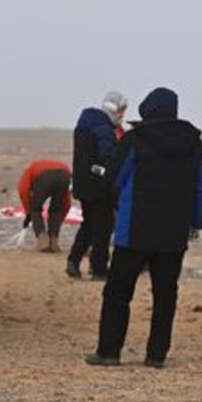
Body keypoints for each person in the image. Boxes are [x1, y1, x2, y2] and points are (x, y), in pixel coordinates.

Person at [86, 87, 202, 370]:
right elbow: (201, 186)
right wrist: (195, 222)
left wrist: (116, 206)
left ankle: (109, 351)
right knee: (165, 294)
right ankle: (156, 355)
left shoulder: (134, 140)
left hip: (134, 229)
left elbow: (115, 179)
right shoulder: (193, 143)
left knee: (118, 291)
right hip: (173, 232)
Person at [69, 91, 127, 280]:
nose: (122, 116)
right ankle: (99, 268)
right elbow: (106, 158)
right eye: (121, 111)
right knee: (103, 227)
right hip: (99, 187)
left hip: (82, 184)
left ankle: (73, 260)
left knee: (88, 224)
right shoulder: (104, 130)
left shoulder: (83, 127)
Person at [17, 159, 72, 253]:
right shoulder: (37, 167)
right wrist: (61, 217)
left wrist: (28, 211)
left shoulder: (30, 170)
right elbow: (65, 201)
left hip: (44, 176)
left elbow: (23, 191)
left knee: (35, 209)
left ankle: (43, 240)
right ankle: (53, 241)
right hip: (65, 175)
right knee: (57, 209)